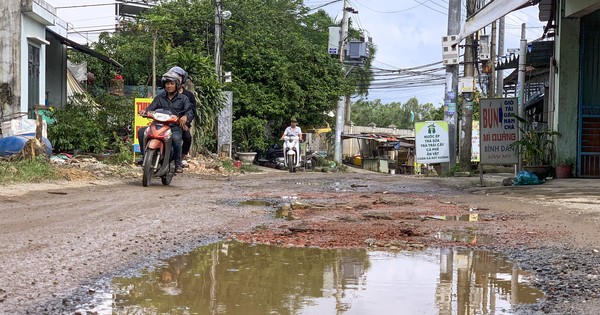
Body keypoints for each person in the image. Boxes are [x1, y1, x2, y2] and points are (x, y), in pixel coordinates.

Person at [137, 71, 192, 173]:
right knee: (141, 132)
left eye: (172, 83)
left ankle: (178, 163)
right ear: (164, 85)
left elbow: (189, 111)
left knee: (176, 139)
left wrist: (185, 116)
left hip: (174, 127)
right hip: (158, 125)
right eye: (167, 84)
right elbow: (150, 108)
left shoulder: (183, 98)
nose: (169, 86)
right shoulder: (159, 98)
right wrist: (145, 112)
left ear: (176, 85)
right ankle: (144, 156)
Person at [168, 66, 197, 167]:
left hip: (181, 124)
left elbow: (192, 111)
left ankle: (181, 158)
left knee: (187, 137)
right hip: (167, 122)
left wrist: (186, 122)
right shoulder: (166, 94)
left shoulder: (188, 96)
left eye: (178, 77)